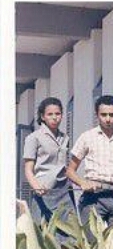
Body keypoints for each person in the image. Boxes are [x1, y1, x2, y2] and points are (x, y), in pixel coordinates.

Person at [66, 95, 113, 244]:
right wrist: (83, 182)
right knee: (94, 247)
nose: (108, 119)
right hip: (93, 198)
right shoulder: (87, 137)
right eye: (104, 115)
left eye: (112, 115)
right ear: (97, 115)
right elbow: (70, 171)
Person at [23, 97, 76, 239]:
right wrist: (36, 186)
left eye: (58, 114)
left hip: (64, 191)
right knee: (42, 236)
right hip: (44, 192)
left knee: (69, 235)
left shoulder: (65, 138)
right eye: (50, 114)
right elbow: (28, 169)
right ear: (42, 117)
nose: (54, 117)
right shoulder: (33, 138)